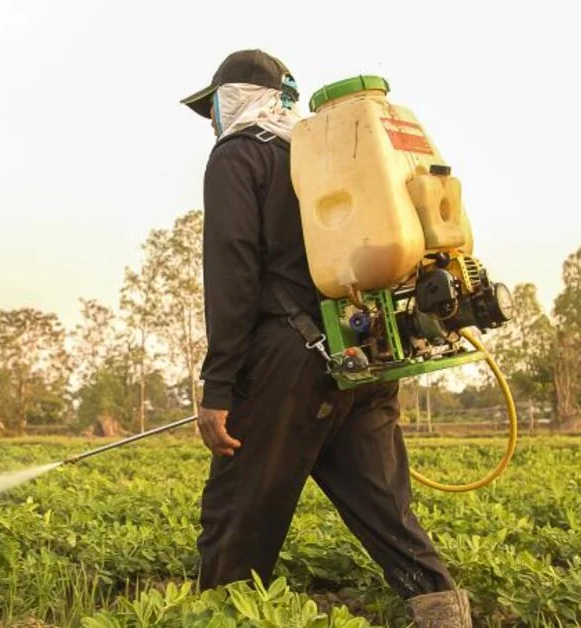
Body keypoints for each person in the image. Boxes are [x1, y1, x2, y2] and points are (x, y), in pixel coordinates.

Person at [179, 49, 473, 627]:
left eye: (212, 106)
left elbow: (233, 272)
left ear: (233, 99)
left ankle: (217, 619)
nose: (211, 120)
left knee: (237, 513)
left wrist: (218, 388)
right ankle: (444, 613)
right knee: (387, 511)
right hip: (363, 353)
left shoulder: (240, 156)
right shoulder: (329, 157)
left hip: (287, 363)